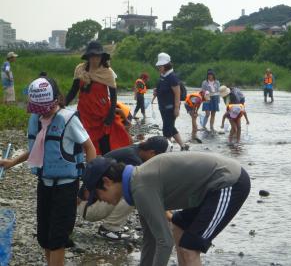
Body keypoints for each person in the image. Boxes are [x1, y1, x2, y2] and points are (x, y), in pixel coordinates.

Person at [82, 152, 251, 266]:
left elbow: (165, 242)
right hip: (209, 189)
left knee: (190, 246)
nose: (101, 201)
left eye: (97, 196)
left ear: (107, 182)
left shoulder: (140, 187)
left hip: (229, 182)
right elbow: (151, 238)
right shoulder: (135, 185)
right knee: (178, 225)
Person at [0, 75, 96, 266]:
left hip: (67, 187)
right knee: (44, 235)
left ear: (56, 100)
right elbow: (38, 148)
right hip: (44, 184)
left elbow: (90, 148)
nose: (42, 113)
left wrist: (88, 184)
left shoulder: (68, 120)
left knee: (58, 238)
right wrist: (12, 162)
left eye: (45, 109)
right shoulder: (37, 119)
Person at [77, 136, 173, 240]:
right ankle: (109, 228)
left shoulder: (136, 151)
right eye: (159, 158)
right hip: (88, 207)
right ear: (152, 152)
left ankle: (113, 225)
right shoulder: (134, 159)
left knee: (132, 187)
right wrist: (169, 216)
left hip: (88, 202)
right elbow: (148, 190)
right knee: (134, 190)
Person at [65, 41, 131, 155]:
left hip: (102, 114)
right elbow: (73, 91)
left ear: (102, 57)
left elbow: (114, 97)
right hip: (84, 113)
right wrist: (62, 105)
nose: (95, 59)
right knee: (86, 144)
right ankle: (88, 167)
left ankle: (107, 168)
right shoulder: (80, 70)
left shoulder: (107, 73)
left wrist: (110, 117)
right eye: (92, 56)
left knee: (105, 145)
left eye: (97, 56)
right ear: (88, 57)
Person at [153, 52, 188, 151]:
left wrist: (176, 108)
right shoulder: (163, 76)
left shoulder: (172, 77)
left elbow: (177, 93)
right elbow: (162, 88)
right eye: (159, 66)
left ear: (166, 65)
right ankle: (183, 146)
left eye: (160, 66)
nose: (159, 68)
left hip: (171, 107)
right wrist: (157, 91)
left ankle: (168, 150)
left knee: (167, 130)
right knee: (170, 127)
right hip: (163, 107)